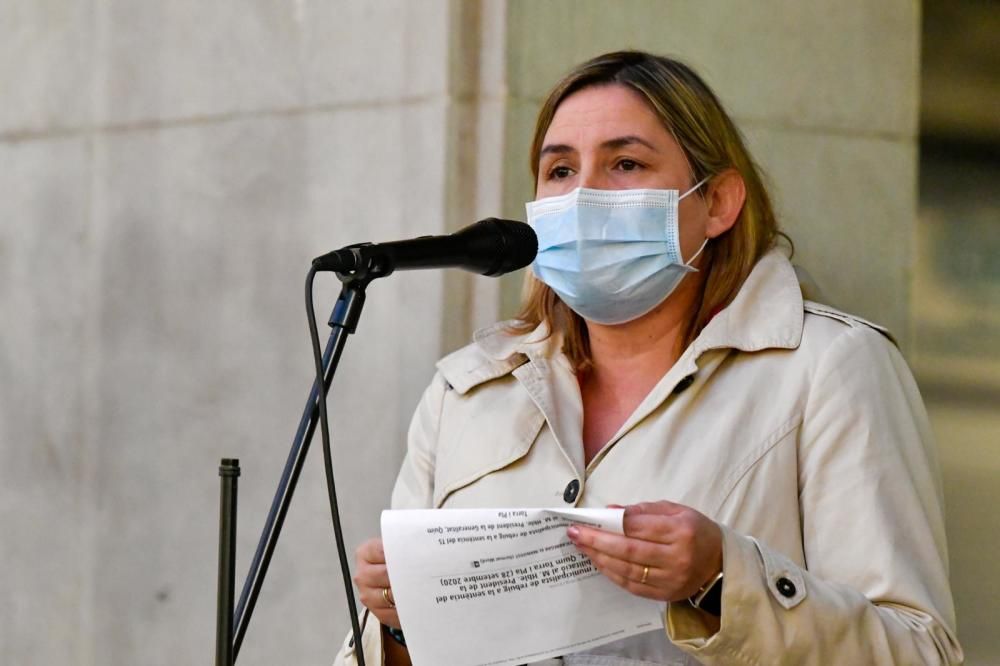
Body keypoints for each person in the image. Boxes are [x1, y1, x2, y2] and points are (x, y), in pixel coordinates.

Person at [335, 50, 962, 665]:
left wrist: (722, 579)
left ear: (717, 203)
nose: (583, 196)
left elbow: (917, 649)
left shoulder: (829, 365)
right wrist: (396, 629)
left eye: (626, 163)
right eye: (559, 171)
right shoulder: (467, 391)